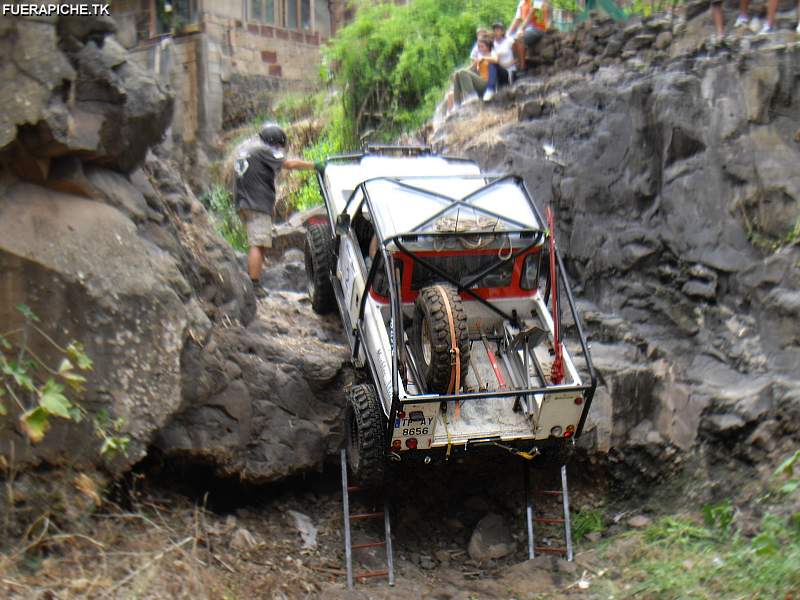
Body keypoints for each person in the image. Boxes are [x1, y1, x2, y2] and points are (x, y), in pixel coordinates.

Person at [233, 122, 321, 298]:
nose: (279, 150)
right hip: (257, 204)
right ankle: (254, 285)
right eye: (278, 146)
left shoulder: (247, 149)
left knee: (259, 242)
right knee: (258, 243)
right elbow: (289, 163)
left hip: (244, 202)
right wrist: (315, 165)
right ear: (273, 142)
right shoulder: (264, 149)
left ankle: (255, 281)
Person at [451, 37, 494, 107]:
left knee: (462, 72)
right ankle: (456, 103)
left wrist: (483, 58)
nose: (480, 49)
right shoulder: (479, 58)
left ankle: (472, 98)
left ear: (488, 47)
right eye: (479, 47)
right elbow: (469, 69)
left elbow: (496, 61)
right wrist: (457, 74)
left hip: (487, 83)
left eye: (482, 47)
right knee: (458, 74)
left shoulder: (492, 55)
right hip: (480, 81)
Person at [508, 0, 549, 73]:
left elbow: (533, 12)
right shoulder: (522, 2)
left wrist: (521, 29)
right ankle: (516, 66)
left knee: (519, 38)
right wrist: (507, 34)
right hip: (527, 28)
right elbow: (517, 19)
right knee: (510, 41)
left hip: (539, 27)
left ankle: (522, 68)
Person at [484, 21, 516, 101]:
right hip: (499, 69)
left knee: (493, 64)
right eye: (494, 30)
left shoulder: (509, 40)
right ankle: (490, 90)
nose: (496, 32)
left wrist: (508, 64)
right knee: (491, 64)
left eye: (498, 30)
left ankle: (490, 89)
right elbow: (494, 58)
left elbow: (516, 56)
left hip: (509, 70)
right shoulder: (492, 44)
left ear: (502, 31)